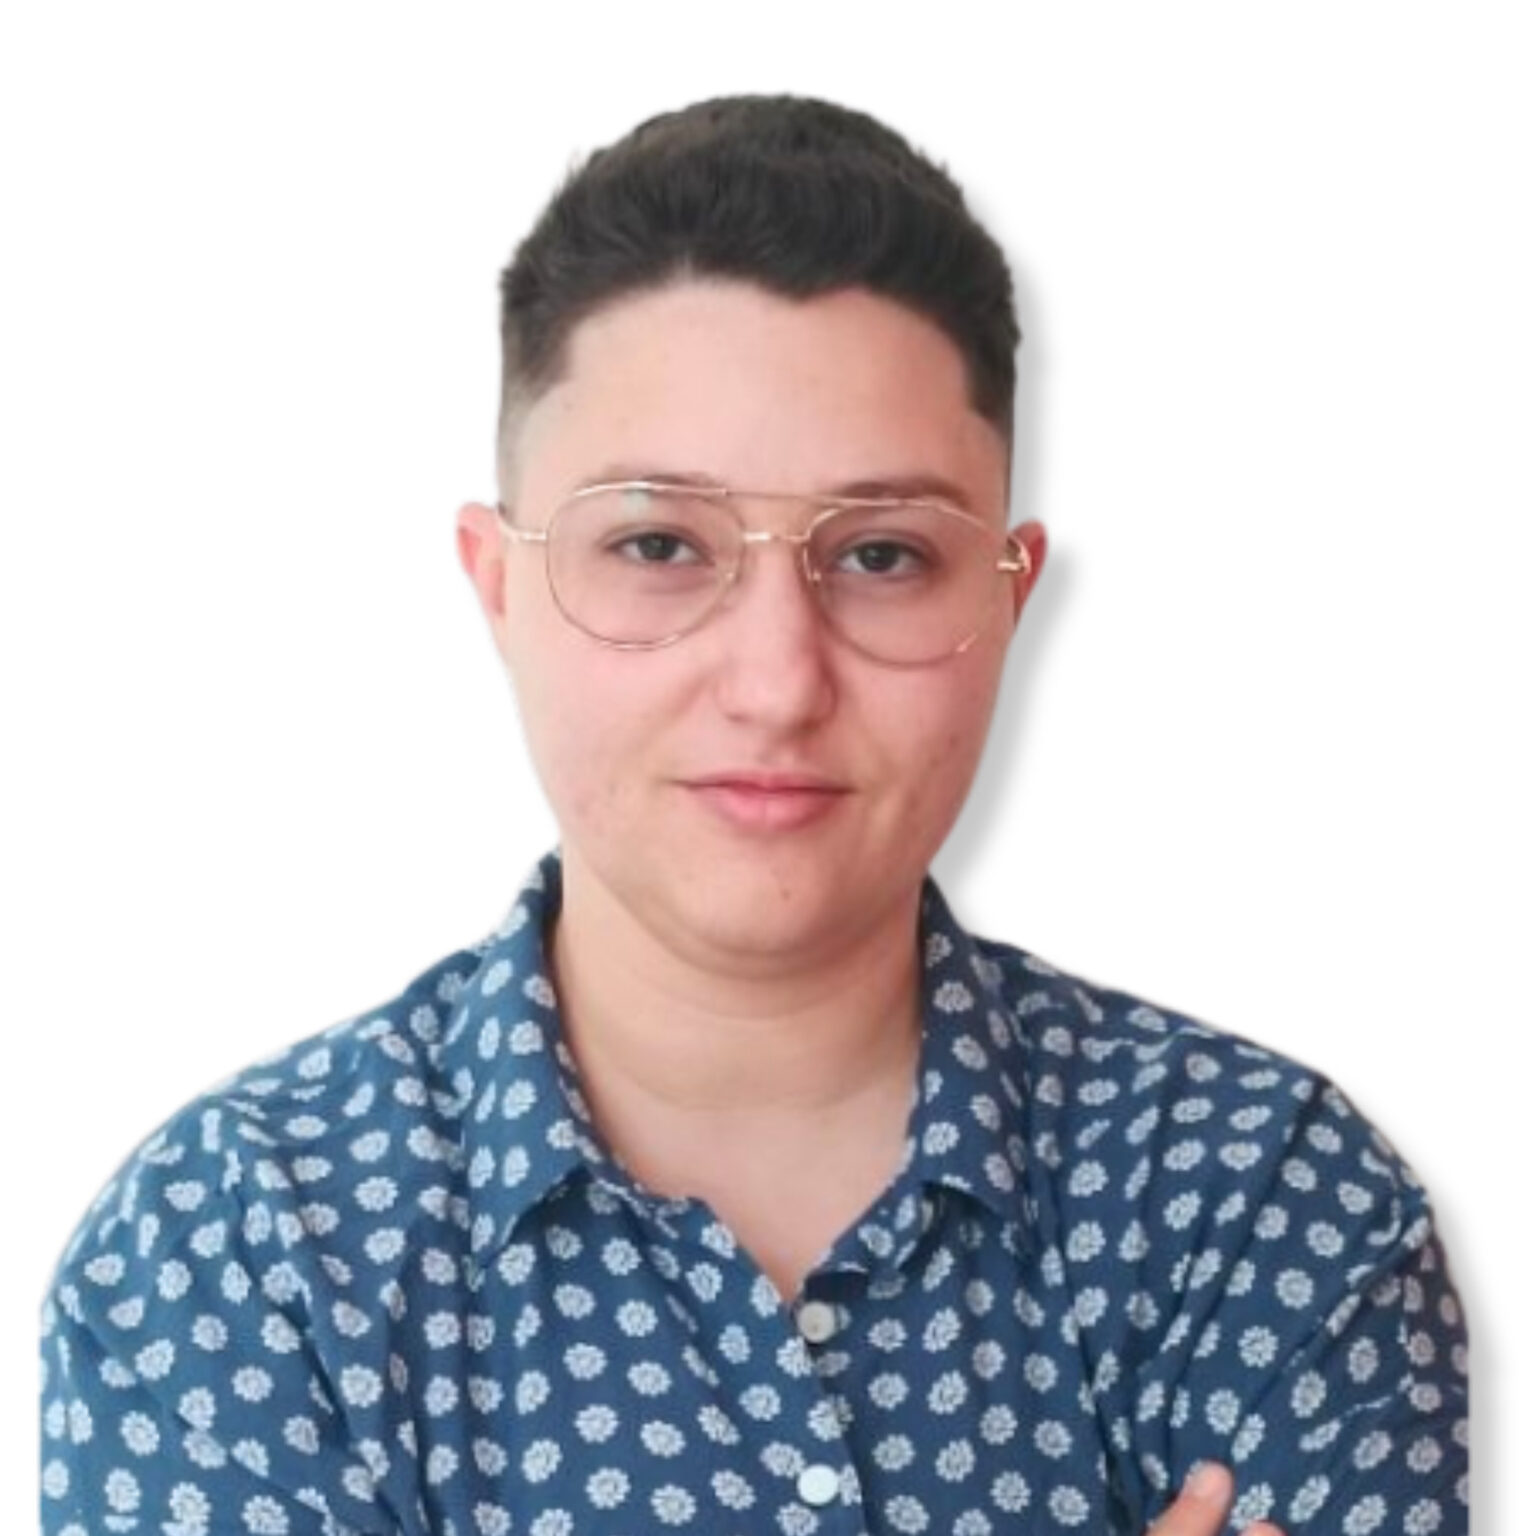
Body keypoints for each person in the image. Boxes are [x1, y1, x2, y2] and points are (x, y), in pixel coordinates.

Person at [39, 95, 1466, 1536]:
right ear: (499, 586)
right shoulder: (235, 1259)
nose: (778, 681)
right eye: (659, 545)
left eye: (887, 554)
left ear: (1007, 597)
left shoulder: (1262, 1204)